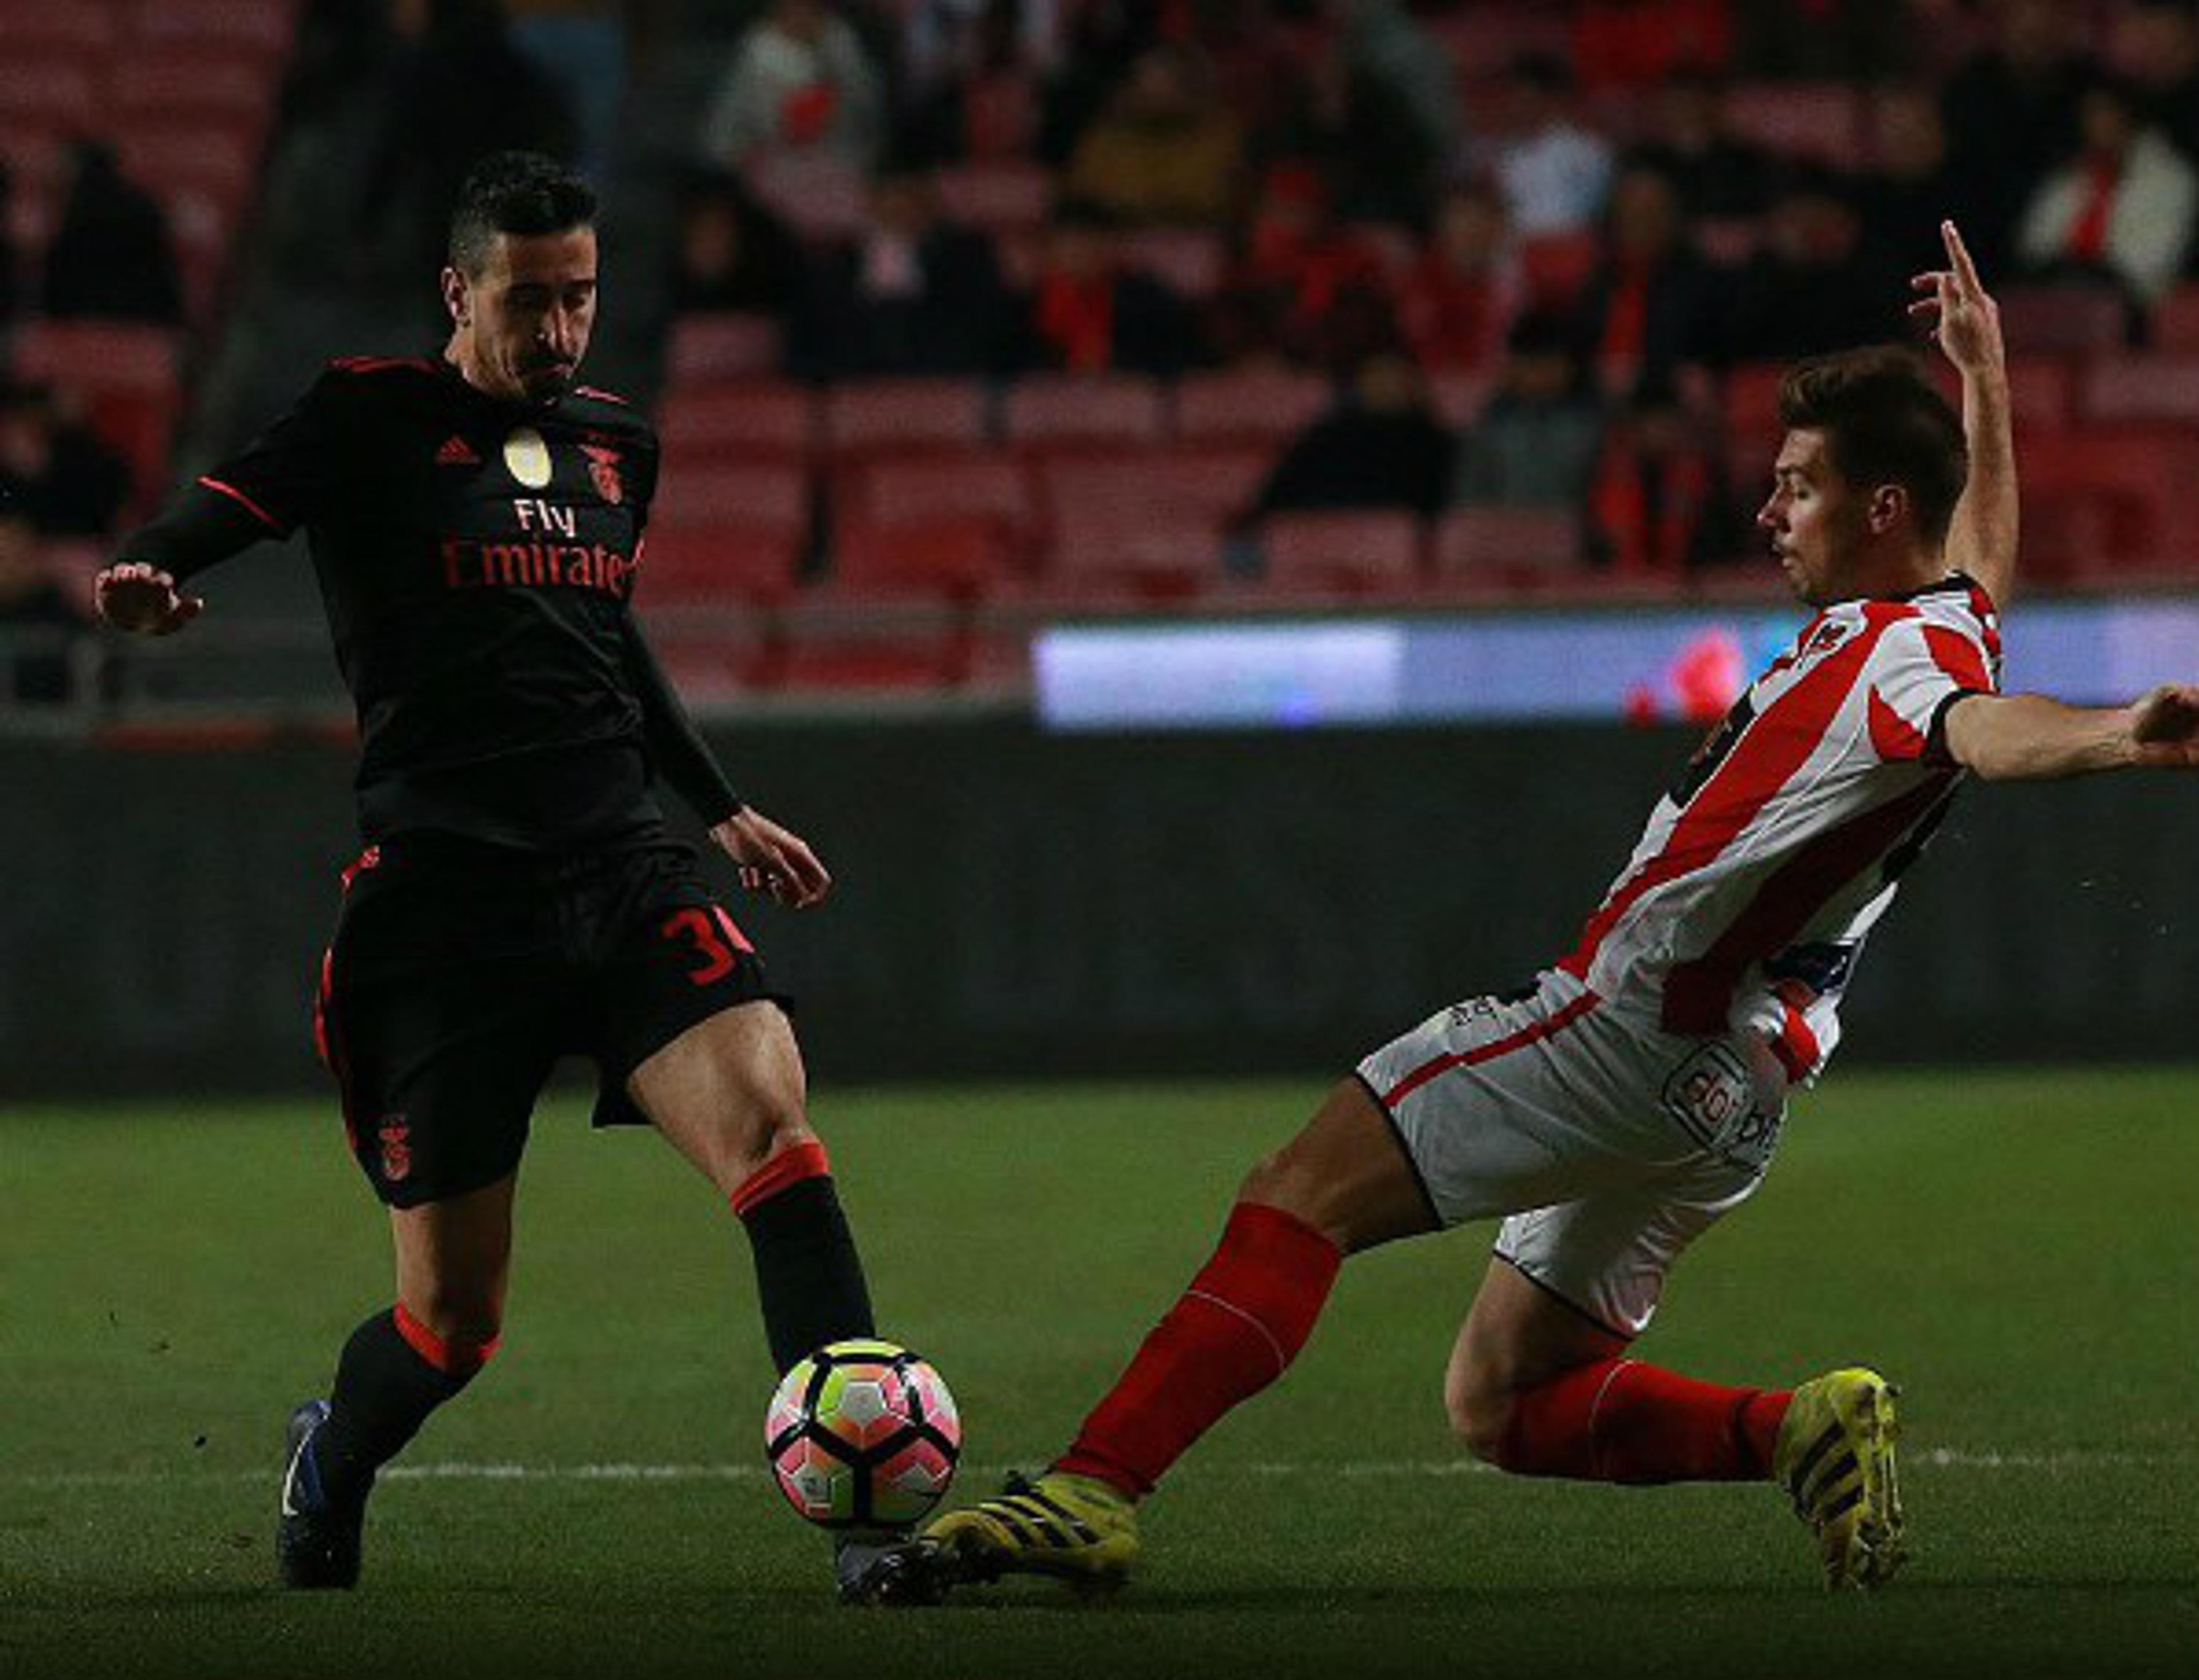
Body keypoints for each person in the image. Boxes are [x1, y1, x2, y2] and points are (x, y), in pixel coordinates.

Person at [848, 222, 2199, 1603]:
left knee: (1300, 1193)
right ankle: (1796, 1426)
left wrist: (2110, 736)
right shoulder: (1941, 619)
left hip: (1625, 1033)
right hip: (1732, 1092)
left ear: (1880, 510)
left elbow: (1988, 732)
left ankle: (1092, 1490)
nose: (1768, 512)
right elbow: (1982, 583)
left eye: (1797, 487)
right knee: (1503, 1403)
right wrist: (1987, 382)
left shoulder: (1903, 670)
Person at [93, 152, 911, 1604]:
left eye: (580, 297)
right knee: (454, 1323)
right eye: (529, 301)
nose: (559, 330)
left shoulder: (618, 448)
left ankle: (870, 1523)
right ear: (458, 293)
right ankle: (329, 1459)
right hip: (446, 904)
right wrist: (152, 571)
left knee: (774, 1126)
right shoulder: (369, 414)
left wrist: (715, 809)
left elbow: (605, 635)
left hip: (626, 866)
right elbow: (226, 502)